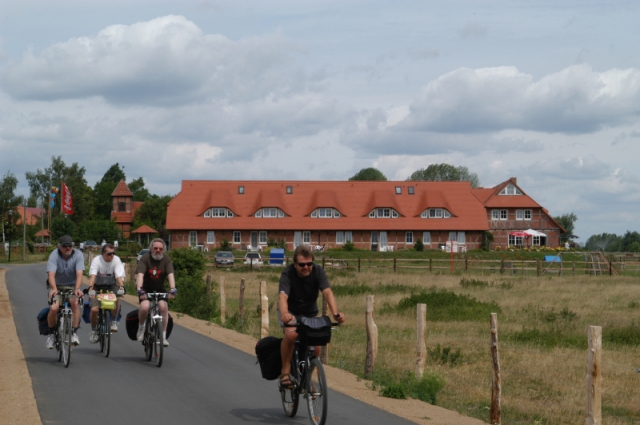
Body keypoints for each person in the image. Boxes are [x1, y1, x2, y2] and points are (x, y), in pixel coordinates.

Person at [277, 245, 345, 388]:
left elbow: (327, 292)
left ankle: (306, 378)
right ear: (295, 264)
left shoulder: (318, 271)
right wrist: (284, 314)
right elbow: (283, 297)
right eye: (302, 264)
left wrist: (335, 313)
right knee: (290, 335)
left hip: (309, 313)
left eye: (309, 264)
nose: (306, 267)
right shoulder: (287, 274)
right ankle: (285, 371)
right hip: (290, 312)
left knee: (316, 346)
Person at [135, 238, 177, 347]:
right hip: (145, 289)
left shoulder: (166, 259)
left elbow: (170, 275)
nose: (158, 250)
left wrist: (172, 289)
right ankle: (141, 328)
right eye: (155, 248)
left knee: (163, 307)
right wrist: (140, 289)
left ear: (163, 250)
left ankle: (163, 336)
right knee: (144, 307)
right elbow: (140, 275)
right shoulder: (145, 258)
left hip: (160, 289)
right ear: (151, 249)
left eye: (160, 248)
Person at [45, 235, 85, 349]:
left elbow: (79, 274)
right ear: (59, 247)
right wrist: (54, 289)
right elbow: (51, 274)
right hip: (56, 285)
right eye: (65, 246)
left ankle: (74, 333)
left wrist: (77, 289)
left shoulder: (78, 255)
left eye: (70, 246)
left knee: (75, 304)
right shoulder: (54, 255)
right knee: (54, 308)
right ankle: (51, 334)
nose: (68, 248)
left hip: (72, 285)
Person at [87, 243, 126, 343]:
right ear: (102, 254)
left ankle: (113, 321)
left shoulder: (116, 260)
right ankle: (93, 330)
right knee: (95, 309)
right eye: (109, 254)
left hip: (111, 286)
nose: (112, 256)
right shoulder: (96, 260)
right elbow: (93, 276)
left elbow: (118, 276)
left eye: (113, 253)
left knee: (117, 296)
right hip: (97, 286)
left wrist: (121, 287)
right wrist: (91, 288)